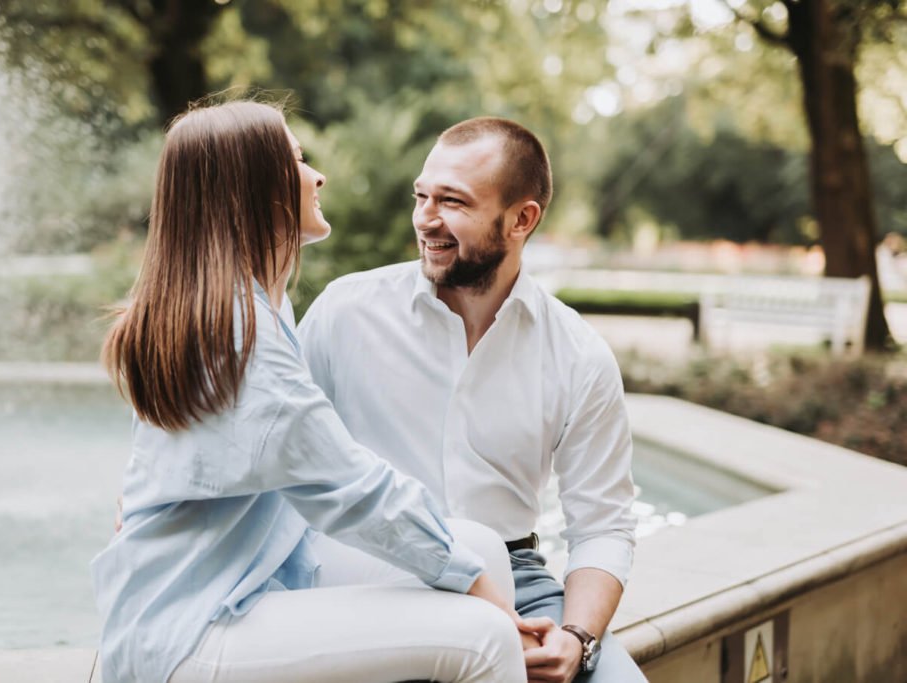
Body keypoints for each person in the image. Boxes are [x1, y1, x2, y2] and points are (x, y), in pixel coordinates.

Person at [92, 101, 532, 683]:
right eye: (297, 160)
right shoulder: (238, 330)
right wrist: (489, 601)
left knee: (481, 547)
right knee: (485, 636)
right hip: (190, 627)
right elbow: (350, 489)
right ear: (251, 189)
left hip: (249, 569)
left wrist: (470, 572)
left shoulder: (251, 306)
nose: (316, 175)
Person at [299, 117, 647, 682]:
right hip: (372, 570)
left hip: (517, 577)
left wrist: (578, 637)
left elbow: (603, 524)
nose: (425, 219)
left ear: (522, 219)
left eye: (453, 202)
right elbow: (274, 449)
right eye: (421, 196)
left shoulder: (578, 354)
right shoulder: (345, 312)